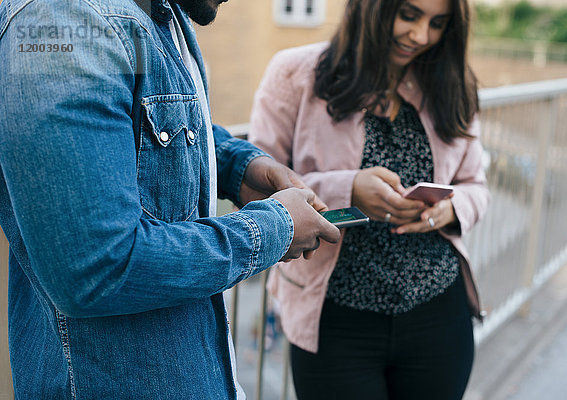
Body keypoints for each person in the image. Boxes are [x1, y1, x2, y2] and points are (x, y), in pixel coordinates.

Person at [0, 0, 341, 398]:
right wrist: (274, 229)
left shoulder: (158, 11)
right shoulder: (61, 21)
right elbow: (99, 267)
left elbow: (152, 116)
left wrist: (236, 166)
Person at [248, 0, 490, 398]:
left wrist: (448, 210)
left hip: (438, 316)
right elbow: (256, 184)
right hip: (335, 321)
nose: (421, 35)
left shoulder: (454, 83)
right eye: (409, 15)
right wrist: (349, 189)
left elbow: (476, 186)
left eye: (438, 23)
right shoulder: (294, 72)